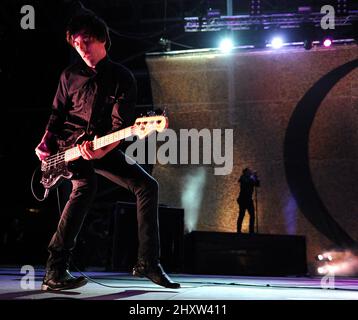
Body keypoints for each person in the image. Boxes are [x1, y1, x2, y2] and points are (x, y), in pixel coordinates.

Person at [34, 12, 180, 290]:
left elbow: (121, 126)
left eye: (86, 41)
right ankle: (55, 268)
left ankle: (147, 263)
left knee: (147, 185)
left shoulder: (122, 78)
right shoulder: (69, 75)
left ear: (102, 39)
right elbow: (56, 114)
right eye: (76, 44)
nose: (82, 48)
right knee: (86, 186)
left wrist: (101, 151)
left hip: (102, 145)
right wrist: (45, 142)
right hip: (67, 149)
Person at [236, 168, 260, 234]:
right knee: (241, 215)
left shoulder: (251, 179)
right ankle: (238, 231)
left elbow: (257, 184)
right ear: (245, 172)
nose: (250, 172)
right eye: (249, 171)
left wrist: (256, 177)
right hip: (243, 199)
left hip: (249, 200)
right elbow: (247, 182)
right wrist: (252, 177)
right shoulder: (243, 178)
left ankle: (251, 231)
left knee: (252, 215)